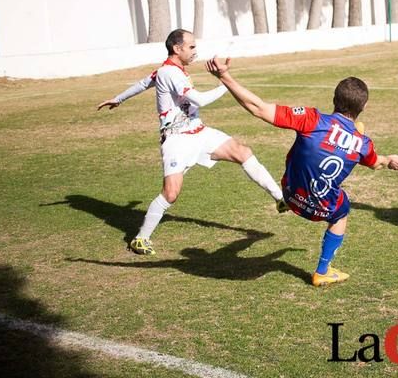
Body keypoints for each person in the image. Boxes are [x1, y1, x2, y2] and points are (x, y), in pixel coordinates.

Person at [205, 57, 398, 287]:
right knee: (342, 210)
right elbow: (376, 162)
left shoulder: (311, 119)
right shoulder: (363, 144)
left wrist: (224, 76)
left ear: (334, 99)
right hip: (321, 209)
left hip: (290, 194)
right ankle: (323, 271)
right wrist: (390, 160)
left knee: (298, 169)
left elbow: (259, 109)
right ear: (364, 107)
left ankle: (286, 202)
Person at [97, 29, 285, 256]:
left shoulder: (168, 70)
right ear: (177, 49)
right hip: (177, 140)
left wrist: (117, 99)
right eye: (192, 47)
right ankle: (140, 239)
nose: (196, 51)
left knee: (242, 152)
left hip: (198, 132)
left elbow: (143, 83)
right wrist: (227, 83)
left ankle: (280, 198)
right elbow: (200, 100)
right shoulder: (170, 73)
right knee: (171, 194)